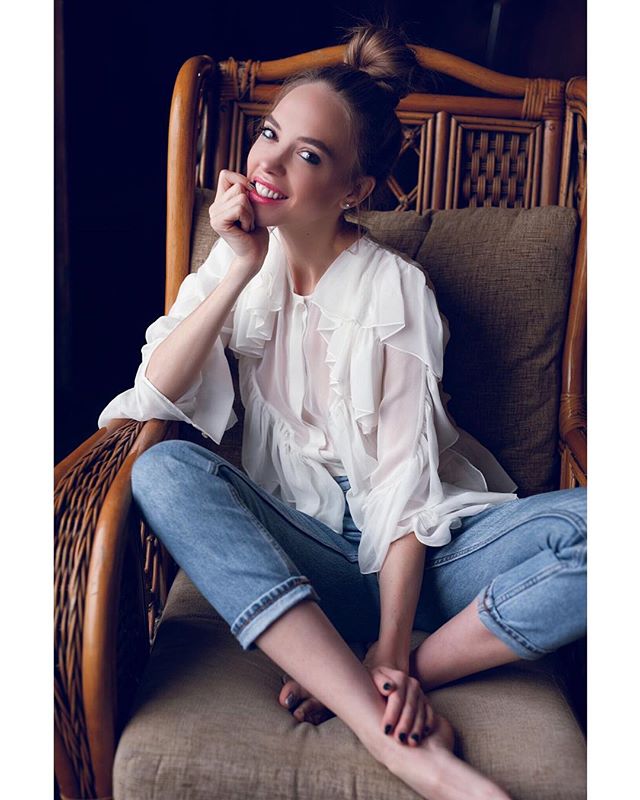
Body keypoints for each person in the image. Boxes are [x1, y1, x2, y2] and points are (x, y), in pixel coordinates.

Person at [98, 21, 586, 800]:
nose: (269, 163)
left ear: (355, 189)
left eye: (310, 155)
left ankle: (381, 676)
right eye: (270, 135)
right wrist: (236, 270)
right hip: (302, 561)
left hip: (430, 564)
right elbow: (153, 397)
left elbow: (403, 489)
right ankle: (398, 746)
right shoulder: (235, 260)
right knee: (164, 469)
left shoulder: (395, 288)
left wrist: (393, 653)